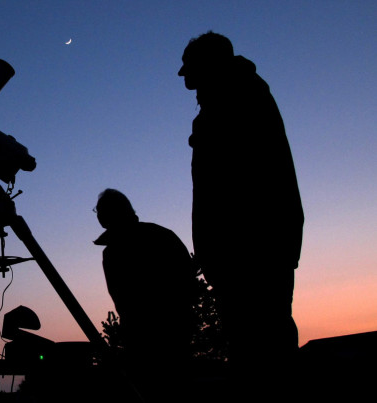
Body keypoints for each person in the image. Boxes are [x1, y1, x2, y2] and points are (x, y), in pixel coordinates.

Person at [178, 32, 304, 390]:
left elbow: (232, 186)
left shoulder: (234, 100)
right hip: (248, 247)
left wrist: (214, 246)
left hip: (251, 248)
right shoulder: (232, 97)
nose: (183, 76)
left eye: (189, 68)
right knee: (259, 342)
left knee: (262, 346)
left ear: (208, 65)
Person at [94, 188, 198, 402]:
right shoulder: (163, 235)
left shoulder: (113, 251)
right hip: (174, 329)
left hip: (147, 335)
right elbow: (188, 280)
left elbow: (121, 297)